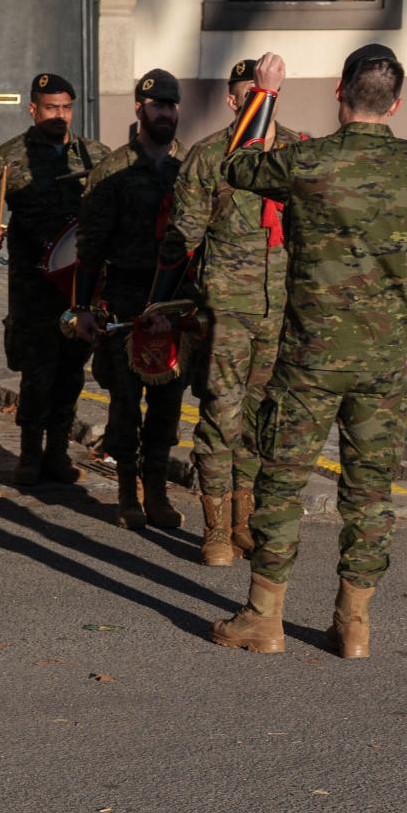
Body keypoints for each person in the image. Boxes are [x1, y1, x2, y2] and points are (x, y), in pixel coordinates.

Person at [211, 46, 407, 659]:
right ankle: (354, 625)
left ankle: (264, 618)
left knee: (282, 482)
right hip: (383, 361)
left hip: (308, 358)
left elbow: (237, 166)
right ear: (397, 103)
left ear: (340, 92)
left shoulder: (309, 161)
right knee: (370, 492)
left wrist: (264, 94)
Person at [157, 60, 304, 564]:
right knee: (221, 415)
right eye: (248, 93)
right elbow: (182, 238)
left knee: (264, 419)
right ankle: (216, 527)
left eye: (266, 92)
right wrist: (163, 305)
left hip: (281, 310)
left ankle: (246, 521)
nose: (258, 100)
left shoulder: (300, 151)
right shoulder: (208, 156)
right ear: (232, 101)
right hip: (225, 310)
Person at [0, 74, 109, 485]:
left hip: (79, 283)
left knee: (72, 370)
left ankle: (57, 452)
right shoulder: (10, 159)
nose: (60, 115)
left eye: (66, 107)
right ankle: (30, 453)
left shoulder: (94, 155)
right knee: (36, 369)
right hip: (32, 285)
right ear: (33, 110)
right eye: (51, 108)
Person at [72, 70, 186, 529]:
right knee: (124, 404)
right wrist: (81, 307)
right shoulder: (113, 171)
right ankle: (127, 496)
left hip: (173, 303)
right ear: (139, 109)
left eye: (172, 106)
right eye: (157, 105)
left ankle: (157, 492)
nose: (165, 113)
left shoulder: (187, 170)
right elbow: (90, 246)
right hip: (125, 297)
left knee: (168, 405)